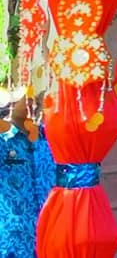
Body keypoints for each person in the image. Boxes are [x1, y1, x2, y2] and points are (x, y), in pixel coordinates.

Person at [0, 96, 55, 258]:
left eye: (38, 95)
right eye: (27, 95)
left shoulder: (51, 138)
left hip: (51, 237)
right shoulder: (4, 139)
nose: (32, 101)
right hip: (12, 242)